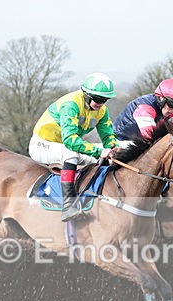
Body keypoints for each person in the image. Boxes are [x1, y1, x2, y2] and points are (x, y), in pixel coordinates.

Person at [29, 72, 119, 221]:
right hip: (42, 144)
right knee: (71, 155)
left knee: (107, 156)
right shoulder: (70, 104)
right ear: (86, 94)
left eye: (105, 99)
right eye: (97, 99)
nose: (101, 103)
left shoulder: (102, 111)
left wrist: (113, 148)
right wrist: (98, 152)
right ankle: (68, 204)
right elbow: (70, 140)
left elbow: (108, 136)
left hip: (65, 146)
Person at [112, 78, 173, 143]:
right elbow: (151, 137)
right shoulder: (145, 108)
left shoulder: (169, 110)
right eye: (172, 104)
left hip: (137, 140)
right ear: (161, 98)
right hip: (120, 140)